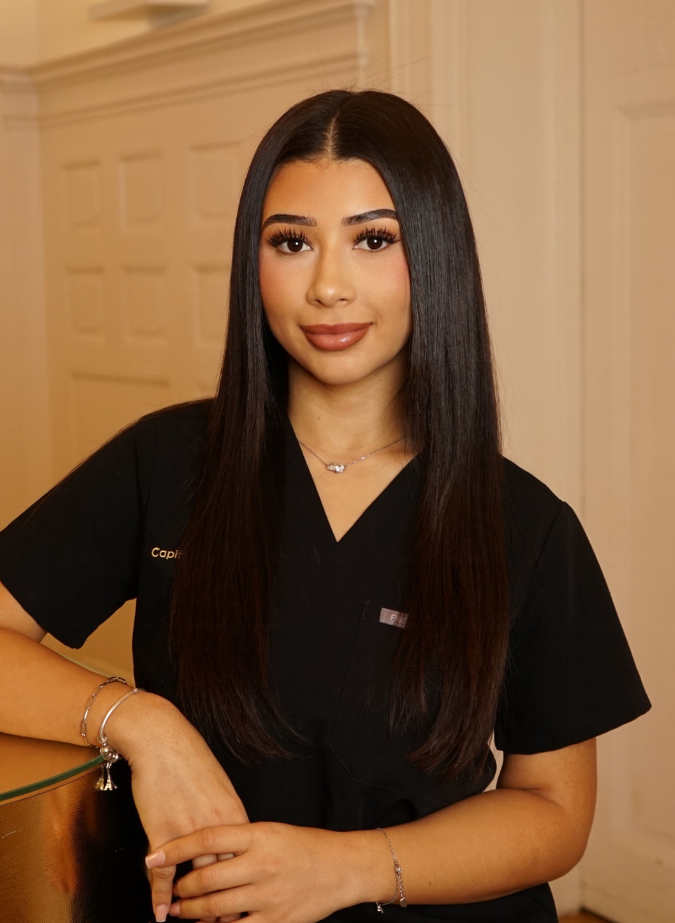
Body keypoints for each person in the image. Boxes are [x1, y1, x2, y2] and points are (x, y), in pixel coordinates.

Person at [0, 89, 650, 923]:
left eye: (373, 239)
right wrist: (138, 720)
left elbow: (553, 812)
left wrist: (347, 868)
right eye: (291, 242)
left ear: (436, 255)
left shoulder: (523, 523)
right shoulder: (166, 461)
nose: (328, 286)